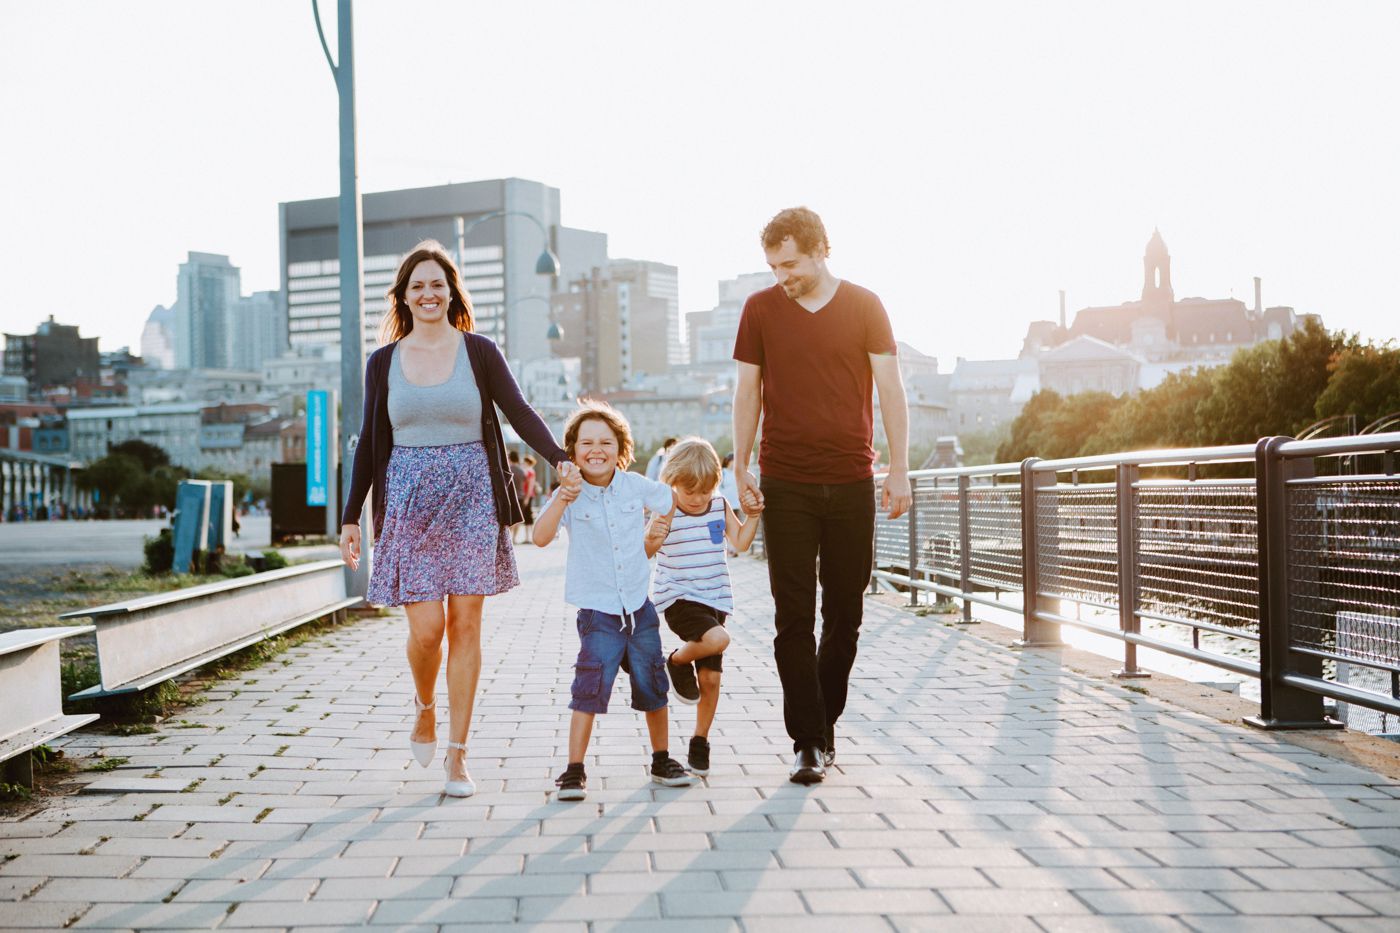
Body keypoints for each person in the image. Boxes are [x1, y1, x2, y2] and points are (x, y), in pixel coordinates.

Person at [339, 239, 580, 798]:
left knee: (465, 624)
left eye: (438, 285)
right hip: (409, 501)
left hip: (472, 496)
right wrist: (352, 516)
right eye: (417, 285)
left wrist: (560, 459)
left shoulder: (479, 351)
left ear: (452, 294)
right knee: (426, 631)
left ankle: (458, 755)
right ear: (404, 296)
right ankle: (425, 707)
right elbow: (371, 443)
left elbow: (519, 411)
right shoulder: (384, 363)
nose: (428, 293)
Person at [732, 207, 911, 785]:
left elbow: (890, 390)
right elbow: (747, 393)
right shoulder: (760, 310)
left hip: (854, 480)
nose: (781, 275)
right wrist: (741, 467)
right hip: (785, 481)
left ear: (819, 250)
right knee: (792, 617)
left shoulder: (865, 306)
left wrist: (900, 468)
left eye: (790, 264)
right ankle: (806, 740)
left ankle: (824, 720)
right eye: (773, 266)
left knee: (846, 613)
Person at [532, 400, 696, 801]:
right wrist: (561, 497)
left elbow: (669, 500)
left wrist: (654, 539)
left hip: (639, 608)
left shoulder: (635, 485)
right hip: (599, 613)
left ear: (620, 448)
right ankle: (574, 771)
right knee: (588, 687)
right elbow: (539, 537)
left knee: (652, 683)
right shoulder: (569, 496)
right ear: (571, 452)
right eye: (586, 442)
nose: (596, 450)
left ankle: (661, 760)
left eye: (606, 441)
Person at [643, 437, 763, 776]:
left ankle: (700, 741)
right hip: (679, 598)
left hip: (715, 599)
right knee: (719, 639)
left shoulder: (719, 504)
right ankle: (676, 660)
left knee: (710, 678)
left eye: (704, 492)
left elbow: (739, 542)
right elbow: (646, 553)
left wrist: (753, 516)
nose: (697, 500)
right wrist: (653, 535)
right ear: (673, 482)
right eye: (689, 491)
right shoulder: (665, 506)